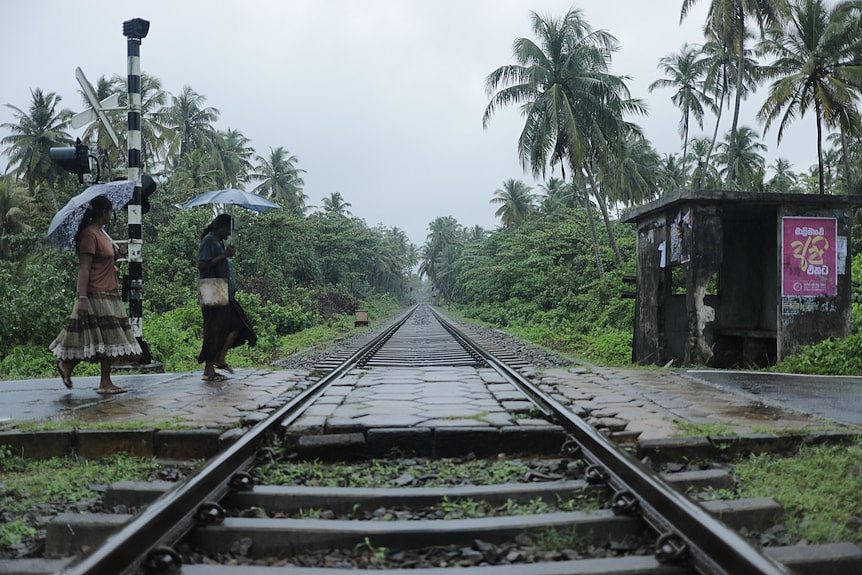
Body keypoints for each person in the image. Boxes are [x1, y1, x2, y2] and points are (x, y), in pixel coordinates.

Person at [50, 195, 141, 394]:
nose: (112, 215)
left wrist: (118, 253)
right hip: (95, 293)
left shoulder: (102, 233)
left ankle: (67, 365)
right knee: (106, 337)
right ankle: (105, 382)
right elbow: (84, 269)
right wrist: (81, 298)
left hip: (109, 291)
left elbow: (106, 259)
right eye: (110, 211)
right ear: (103, 212)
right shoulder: (89, 235)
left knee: (93, 336)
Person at [197, 213, 257, 381]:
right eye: (228, 229)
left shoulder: (219, 242)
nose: (229, 234)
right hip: (211, 288)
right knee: (213, 329)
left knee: (237, 324)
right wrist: (224, 255)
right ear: (219, 226)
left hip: (223, 289)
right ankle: (209, 368)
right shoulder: (209, 241)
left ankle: (220, 357)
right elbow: (202, 264)